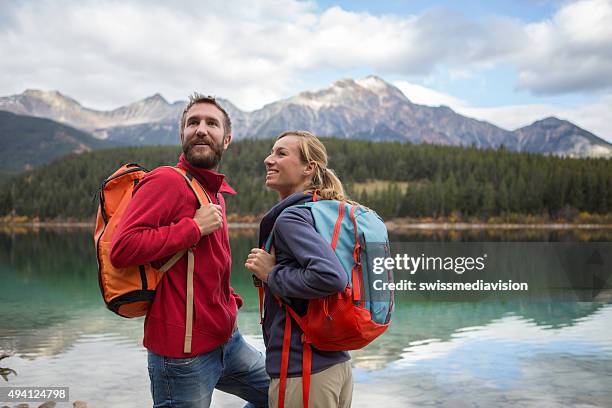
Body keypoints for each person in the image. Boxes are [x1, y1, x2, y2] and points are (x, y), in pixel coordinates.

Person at [110, 93, 269, 408]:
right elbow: (122, 248)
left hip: (229, 340)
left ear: (226, 139)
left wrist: (226, 299)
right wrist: (192, 228)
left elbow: (210, 263)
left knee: (283, 394)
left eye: (212, 123)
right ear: (182, 134)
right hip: (181, 357)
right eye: (193, 123)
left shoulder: (216, 194)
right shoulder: (165, 181)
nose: (201, 129)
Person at [245, 130, 354, 408]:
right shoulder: (324, 212)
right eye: (271, 152)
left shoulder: (291, 218)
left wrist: (271, 274)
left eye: (281, 153)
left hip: (303, 371)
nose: (269, 160)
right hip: (336, 365)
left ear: (309, 167)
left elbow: (331, 277)